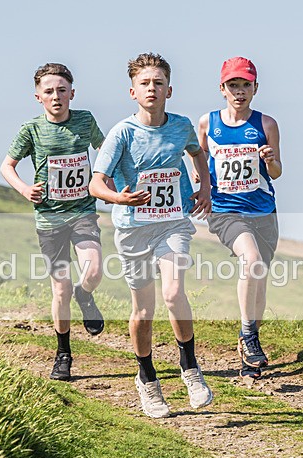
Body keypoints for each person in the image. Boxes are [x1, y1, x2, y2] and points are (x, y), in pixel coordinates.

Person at [89, 52, 213, 418]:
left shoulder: (182, 126)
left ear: (169, 90)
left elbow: (197, 154)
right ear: (132, 92)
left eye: (158, 83)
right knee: (143, 310)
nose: (152, 89)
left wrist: (203, 187)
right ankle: (147, 379)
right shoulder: (122, 132)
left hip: (172, 223)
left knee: (174, 292)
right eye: (145, 83)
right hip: (132, 230)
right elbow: (97, 183)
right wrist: (118, 197)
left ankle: (190, 368)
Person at [0, 62, 106, 382]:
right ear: (38, 97)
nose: (56, 96)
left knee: (94, 269)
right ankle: (63, 354)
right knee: (60, 290)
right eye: (49, 91)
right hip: (49, 218)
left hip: (83, 211)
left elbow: (104, 147)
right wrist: (24, 188)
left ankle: (85, 296)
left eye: (62, 90)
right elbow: (7, 165)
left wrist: (103, 174)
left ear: (72, 93)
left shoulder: (85, 120)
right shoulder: (31, 129)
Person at [196, 57, 283, 380]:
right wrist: (199, 182)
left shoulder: (267, 125)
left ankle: (249, 351)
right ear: (222, 89)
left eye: (246, 85)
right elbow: (199, 161)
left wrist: (271, 160)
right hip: (225, 210)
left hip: (263, 210)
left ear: (255, 88)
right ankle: (248, 334)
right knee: (252, 259)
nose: (240, 91)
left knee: (259, 277)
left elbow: (276, 172)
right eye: (233, 85)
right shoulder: (208, 123)